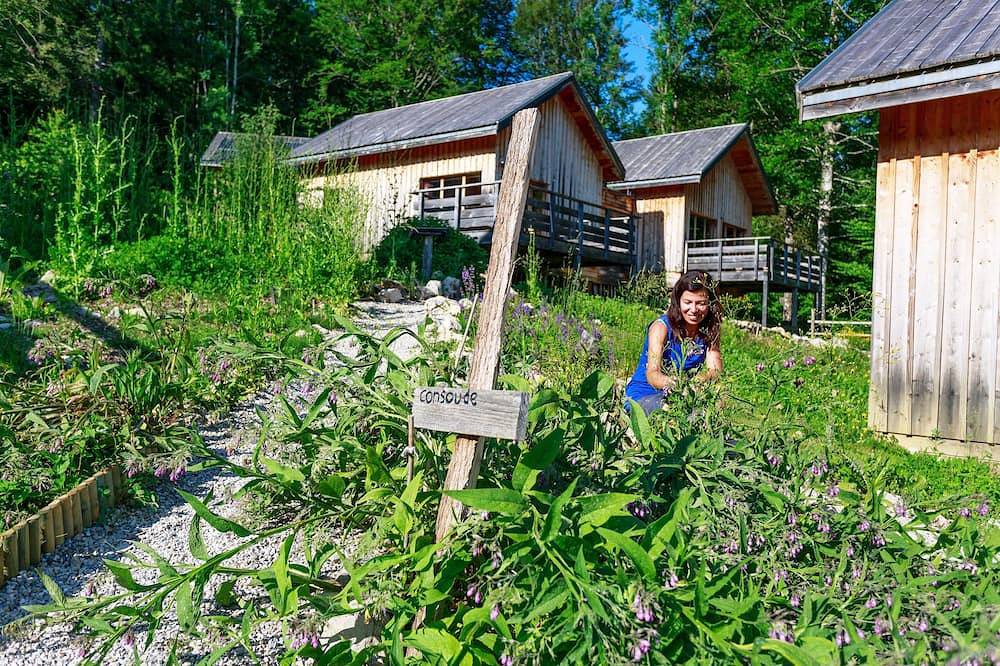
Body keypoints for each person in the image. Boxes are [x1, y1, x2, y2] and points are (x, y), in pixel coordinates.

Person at [625, 270, 723, 415]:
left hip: (680, 395)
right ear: (678, 301)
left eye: (701, 303)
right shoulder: (661, 328)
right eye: (688, 302)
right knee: (678, 413)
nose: (694, 310)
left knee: (717, 404)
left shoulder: (708, 331)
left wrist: (701, 379)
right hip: (645, 395)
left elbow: (715, 370)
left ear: (710, 304)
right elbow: (652, 373)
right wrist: (678, 385)